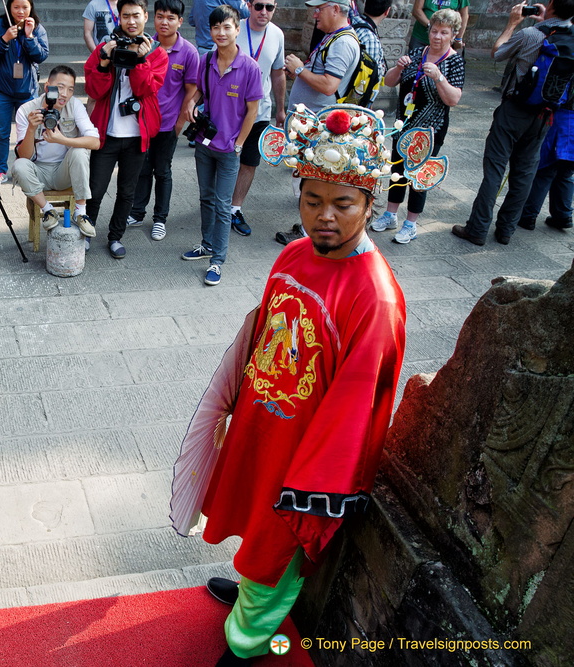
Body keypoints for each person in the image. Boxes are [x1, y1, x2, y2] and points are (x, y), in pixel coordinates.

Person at [169, 105, 443, 666]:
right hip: (263, 417)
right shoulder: (294, 253)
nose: (325, 217)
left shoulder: (375, 296)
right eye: (312, 201)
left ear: (370, 204)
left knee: (280, 540)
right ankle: (249, 590)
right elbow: (266, 330)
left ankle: (247, 641)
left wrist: (315, 483)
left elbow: (356, 408)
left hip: (306, 452)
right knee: (249, 512)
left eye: (343, 205)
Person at [454, 0, 574, 246]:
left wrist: (511, 25)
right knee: (525, 173)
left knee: (495, 170)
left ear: (551, 4)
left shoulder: (530, 35)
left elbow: (498, 53)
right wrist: (547, 21)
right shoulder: (570, 37)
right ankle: (506, 230)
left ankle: (477, 229)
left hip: (514, 111)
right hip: (545, 115)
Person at [179, 4, 261, 286]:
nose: (221, 32)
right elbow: (201, 90)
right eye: (216, 27)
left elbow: (253, 110)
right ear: (210, 31)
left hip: (229, 149)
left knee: (224, 206)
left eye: (227, 27)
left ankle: (217, 261)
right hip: (205, 143)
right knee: (206, 198)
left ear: (237, 29)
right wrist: (192, 102)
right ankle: (206, 245)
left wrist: (238, 144)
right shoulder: (206, 60)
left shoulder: (249, 67)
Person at [84, 0, 168, 258]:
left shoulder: (157, 53)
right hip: (106, 134)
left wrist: (140, 60)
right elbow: (94, 90)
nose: (131, 21)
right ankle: (86, 233)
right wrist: (103, 63)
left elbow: (146, 89)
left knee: (127, 191)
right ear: (118, 18)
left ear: (145, 16)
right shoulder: (104, 47)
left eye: (136, 15)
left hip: (136, 136)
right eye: (125, 16)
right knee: (95, 189)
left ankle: (115, 237)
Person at [372, 8, 464, 244]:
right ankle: (390, 214)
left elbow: (453, 99)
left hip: (430, 131)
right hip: (405, 125)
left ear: (453, 34)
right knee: (397, 170)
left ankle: (411, 223)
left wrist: (438, 78)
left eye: (444, 32)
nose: (437, 37)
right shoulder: (417, 52)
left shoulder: (454, 62)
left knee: (419, 176)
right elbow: (389, 82)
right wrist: (399, 67)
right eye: (434, 31)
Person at [275, 0, 360, 246]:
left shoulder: (342, 42)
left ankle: (306, 231)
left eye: (319, 9)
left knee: (316, 179)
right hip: (313, 124)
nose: (315, 14)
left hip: (320, 126)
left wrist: (301, 70)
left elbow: (329, 85)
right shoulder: (334, 37)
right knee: (311, 176)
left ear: (335, 9)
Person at [126, 0, 199, 241]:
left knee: (163, 171)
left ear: (180, 21)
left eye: (170, 17)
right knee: (142, 168)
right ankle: (137, 212)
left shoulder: (188, 51)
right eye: (160, 16)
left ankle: (160, 219)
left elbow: (190, 91)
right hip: (142, 122)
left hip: (168, 124)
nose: (164, 22)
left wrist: (180, 124)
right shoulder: (145, 43)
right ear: (152, 18)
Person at [10, 65, 100, 237]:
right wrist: (31, 129)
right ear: (47, 87)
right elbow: (24, 156)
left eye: (70, 89)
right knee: (19, 165)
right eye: (59, 87)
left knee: (80, 151)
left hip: (63, 171)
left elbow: (95, 142)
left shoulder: (74, 106)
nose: (64, 94)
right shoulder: (27, 109)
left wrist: (63, 140)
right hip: (38, 171)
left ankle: (81, 212)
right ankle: (48, 211)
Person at [227, 0, 285, 236]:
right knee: (226, 158)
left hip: (260, 111)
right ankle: (216, 204)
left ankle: (234, 209)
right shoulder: (233, 28)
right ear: (248, 5)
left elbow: (278, 72)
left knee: (249, 161)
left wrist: (280, 109)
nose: (264, 12)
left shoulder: (277, 34)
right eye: (259, 5)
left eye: (269, 7)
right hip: (229, 110)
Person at [0, 0, 49, 184]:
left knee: (29, 132)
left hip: (27, 91)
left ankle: (25, 169)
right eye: (16, 7)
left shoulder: (37, 28)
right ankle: (0, 170)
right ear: (9, 8)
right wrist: (4, 39)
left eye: (25, 7)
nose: (21, 11)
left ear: (31, 8)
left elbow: (42, 56)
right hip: (1, 90)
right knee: (2, 132)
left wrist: (29, 38)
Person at [518, 107, 574, 231]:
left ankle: (528, 215)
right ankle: (563, 215)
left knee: (545, 171)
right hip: (568, 125)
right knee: (565, 173)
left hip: (561, 122)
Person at [351, 0, 391, 90]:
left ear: (365, 4)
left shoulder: (352, 21)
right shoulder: (370, 39)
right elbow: (367, 78)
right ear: (387, 11)